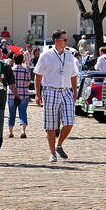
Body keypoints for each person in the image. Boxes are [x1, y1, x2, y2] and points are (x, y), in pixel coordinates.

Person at [34, 29, 79, 163]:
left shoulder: (69, 55)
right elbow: (38, 75)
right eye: (64, 39)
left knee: (69, 121)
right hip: (50, 90)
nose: (66, 42)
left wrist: (75, 92)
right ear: (56, 41)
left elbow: (74, 75)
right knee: (51, 124)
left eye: (66, 40)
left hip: (66, 91)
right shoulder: (46, 55)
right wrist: (37, 94)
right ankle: (52, 152)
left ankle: (59, 145)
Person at [7, 53, 31, 139]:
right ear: (22, 60)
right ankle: (23, 131)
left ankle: (10, 132)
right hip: (23, 94)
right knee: (23, 113)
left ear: (14, 60)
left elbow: (7, 82)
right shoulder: (26, 70)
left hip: (11, 94)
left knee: (11, 114)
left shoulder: (10, 70)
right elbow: (28, 83)